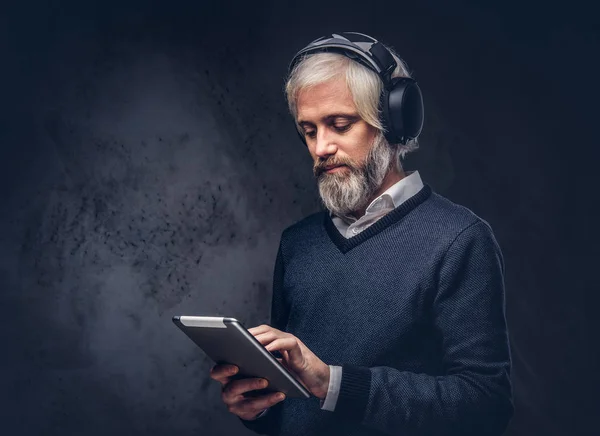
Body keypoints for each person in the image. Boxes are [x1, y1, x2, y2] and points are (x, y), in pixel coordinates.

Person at [209, 32, 514, 436]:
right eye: (309, 130)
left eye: (339, 124)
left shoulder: (460, 240)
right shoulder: (298, 244)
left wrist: (333, 383)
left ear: (393, 122)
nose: (321, 147)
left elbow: (485, 404)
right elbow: (296, 406)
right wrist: (259, 407)